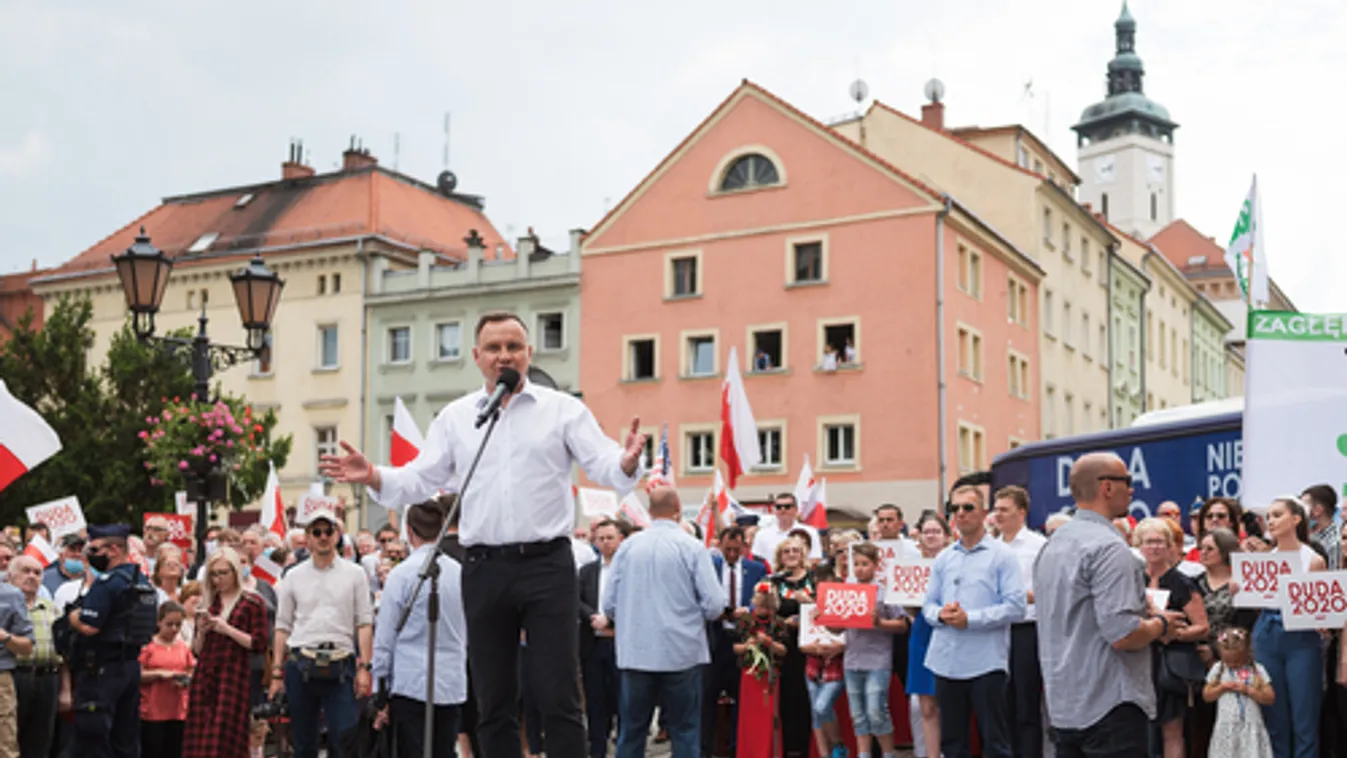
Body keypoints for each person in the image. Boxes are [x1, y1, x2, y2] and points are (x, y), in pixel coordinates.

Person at [321, 311, 646, 758]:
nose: (504, 356)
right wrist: (374, 474)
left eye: (513, 346)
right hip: (484, 567)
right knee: (492, 698)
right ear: (476, 357)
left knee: (558, 694)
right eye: (493, 348)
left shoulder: (562, 409)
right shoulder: (458, 418)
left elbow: (604, 463)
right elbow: (420, 479)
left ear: (529, 353)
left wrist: (626, 463)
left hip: (547, 565)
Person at [1035, 453, 1174, 757]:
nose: (1132, 490)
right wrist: (1161, 625)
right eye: (1128, 481)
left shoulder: (1052, 545)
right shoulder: (1109, 548)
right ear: (1107, 487)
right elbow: (1123, 634)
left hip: (1065, 703)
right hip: (1109, 703)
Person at [603, 486, 726, 758]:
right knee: (685, 730)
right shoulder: (692, 547)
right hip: (682, 652)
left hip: (637, 652)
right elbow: (715, 605)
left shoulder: (628, 548)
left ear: (649, 511)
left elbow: (608, 603)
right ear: (678, 508)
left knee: (632, 731)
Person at [923, 485, 1026, 758]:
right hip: (946, 660)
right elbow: (928, 605)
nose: (960, 513)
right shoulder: (944, 557)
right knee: (953, 743)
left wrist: (971, 619)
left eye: (968, 507)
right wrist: (940, 615)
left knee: (995, 741)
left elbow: (1016, 607)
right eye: (954, 508)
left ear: (983, 512)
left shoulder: (1002, 555)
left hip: (986, 662)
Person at [269, 505, 374, 758]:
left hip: (341, 664)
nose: (324, 536)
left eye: (329, 530)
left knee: (344, 741)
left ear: (338, 535)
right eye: (317, 531)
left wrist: (364, 668)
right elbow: (282, 626)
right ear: (308, 537)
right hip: (300, 662)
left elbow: (364, 622)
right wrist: (275, 673)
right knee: (304, 744)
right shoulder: (292, 576)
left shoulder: (356, 574)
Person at [373, 498, 468, 758]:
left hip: (410, 683)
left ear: (410, 532)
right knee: (444, 751)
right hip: (449, 682)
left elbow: (385, 636)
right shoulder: (460, 573)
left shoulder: (402, 575)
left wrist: (380, 690)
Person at [64, 524, 157, 758]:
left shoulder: (109, 582)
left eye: (94, 550)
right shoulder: (143, 583)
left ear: (113, 549)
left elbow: (89, 626)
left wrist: (73, 617)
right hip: (130, 666)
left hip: (102, 670)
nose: (90, 556)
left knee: (93, 738)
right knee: (125, 739)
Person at [1254, 496, 1325, 758]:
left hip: (1301, 636)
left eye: (1277, 515)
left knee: (1304, 718)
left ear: (1296, 519)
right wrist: (1239, 590)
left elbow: (1321, 607)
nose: (1271, 521)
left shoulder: (1313, 560)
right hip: (1266, 632)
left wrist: (1324, 620)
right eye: (1269, 516)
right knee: (1274, 716)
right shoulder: (1263, 560)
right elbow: (1254, 601)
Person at [183, 547, 269, 758]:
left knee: (226, 731)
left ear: (235, 572)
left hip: (234, 673)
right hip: (206, 672)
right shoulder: (208, 603)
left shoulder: (252, 602)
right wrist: (202, 632)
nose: (218, 579)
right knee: (201, 731)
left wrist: (227, 629)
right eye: (213, 573)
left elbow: (259, 643)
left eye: (223, 573)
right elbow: (197, 650)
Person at [1136, 517, 1209, 758]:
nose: (1154, 547)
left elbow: (1202, 627)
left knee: (1172, 729)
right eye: (1148, 542)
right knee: (1139, 730)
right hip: (1137, 662)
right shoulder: (1134, 580)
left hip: (1170, 667)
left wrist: (1172, 634)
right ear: (1139, 546)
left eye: (1159, 541)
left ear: (1170, 546)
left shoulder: (1182, 583)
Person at [991, 485, 1047, 758]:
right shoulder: (990, 548)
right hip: (995, 630)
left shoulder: (1039, 546)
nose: (997, 515)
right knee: (999, 703)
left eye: (1004, 509)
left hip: (1027, 629)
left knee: (1026, 703)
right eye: (996, 509)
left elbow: (1050, 589)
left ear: (1021, 512)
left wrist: (1025, 597)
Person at [703, 525, 767, 757]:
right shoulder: (709, 567)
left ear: (743, 546)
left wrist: (747, 610)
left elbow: (764, 598)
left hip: (744, 635)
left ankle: (737, 748)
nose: (731, 554)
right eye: (727, 549)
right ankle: (707, 749)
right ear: (719, 546)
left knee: (742, 697)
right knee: (707, 696)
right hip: (715, 638)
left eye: (735, 549)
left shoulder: (756, 568)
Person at [842, 541, 909, 758]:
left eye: (865, 563)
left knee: (876, 709)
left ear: (875, 565)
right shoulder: (846, 591)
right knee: (858, 714)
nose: (860, 568)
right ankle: (864, 754)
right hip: (852, 659)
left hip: (878, 660)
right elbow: (835, 627)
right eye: (857, 564)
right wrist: (822, 618)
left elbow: (902, 624)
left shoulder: (885, 592)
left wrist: (879, 622)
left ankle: (888, 753)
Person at [578, 518, 626, 758]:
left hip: (620, 644)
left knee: (623, 702)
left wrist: (612, 621)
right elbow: (576, 600)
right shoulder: (587, 571)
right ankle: (597, 750)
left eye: (610, 538)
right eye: (601, 539)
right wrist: (592, 616)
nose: (606, 543)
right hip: (592, 645)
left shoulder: (628, 571)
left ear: (620, 540)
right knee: (595, 702)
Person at [906, 511, 951, 758]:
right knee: (925, 705)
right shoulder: (910, 567)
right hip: (922, 632)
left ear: (946, 536)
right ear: (919, 537)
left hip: (951, 632)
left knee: (951, 702)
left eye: (936, 531)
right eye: (927, 532)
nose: (931, 536)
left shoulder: (955, 561)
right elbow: (909, 607)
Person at [769, 536, 816, 758]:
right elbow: (764, 612)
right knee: (786, 696)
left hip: (810, 646)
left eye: (795, 550)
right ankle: (789, 747)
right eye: (786, 551)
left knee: (808, 696)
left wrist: (807, 604)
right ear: (780, 556)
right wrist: (783, 622)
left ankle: (809, 746)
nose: (791, 554)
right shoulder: (773, 581)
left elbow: (824, 609)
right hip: (784, 646)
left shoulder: (813, 579)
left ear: (803, 554)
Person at [733, 581, 788, 758]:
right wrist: (747, 646)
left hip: (771, 674)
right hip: (749, 675)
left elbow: (784, 650)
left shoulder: (778, 623)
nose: (765, 611)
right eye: (762, 606)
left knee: (768, 719)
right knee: (749, 719)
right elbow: (734, 648)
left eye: (769, 607)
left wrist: (768, 642)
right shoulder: (745, 621)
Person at [9, 555, 56, 758]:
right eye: (26, 571)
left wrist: (64, 690)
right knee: (9, 738)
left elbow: (61, 654)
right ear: (11, 576)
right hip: (14, 676)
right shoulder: (4, 606)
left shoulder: (51, 607)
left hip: (48, 677)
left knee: (41, 741)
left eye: (37, 573)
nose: (31, 576)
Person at [1203, 627, 1274, 757]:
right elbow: (1207, 696)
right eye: (1228, 661)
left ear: (1246, 653)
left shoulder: (1257, 670)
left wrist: (1249, 690)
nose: (1232, 664)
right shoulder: (1218, 669)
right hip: (1227, 726)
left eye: (1237, 661)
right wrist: (1222, 687)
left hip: (1251, 724)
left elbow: (1270, 697)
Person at [139, 601, 194, 758]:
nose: (174, 629)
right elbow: (137, 674)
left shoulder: (183, 647)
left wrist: (185, 679)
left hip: (177, 710)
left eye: (178, 625)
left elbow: (191, 671)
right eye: (169, 624)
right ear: (159, 622)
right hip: (152, 711)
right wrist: (159, 674)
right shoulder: (149, 647)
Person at [753, 493, 823, 565]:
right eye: (778, 507)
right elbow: (756, 561)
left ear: (796, 509)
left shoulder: (810, 532)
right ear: (774, 510)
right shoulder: (762, 534)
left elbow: (815, 560)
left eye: (787, 506)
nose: (783, 510)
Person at [1301, 484, 1339, 572]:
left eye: (1303, 506)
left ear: (1318, 510)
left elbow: (1333, 574)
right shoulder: (1306, 532)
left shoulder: (1334, 541)